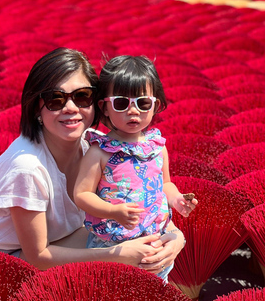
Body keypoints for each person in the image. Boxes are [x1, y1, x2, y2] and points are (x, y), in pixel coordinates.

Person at [0, 48, 186, 275]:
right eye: (55, 99)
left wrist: (176, 239)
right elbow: (37, 256)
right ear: (35, 109)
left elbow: (150, 198)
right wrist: (117, 254)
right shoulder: (27, 169)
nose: (71, 108)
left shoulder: (102, 149)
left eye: (82, 96)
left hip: (55, 243)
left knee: (138, 245)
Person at [73, 55, 198, 282]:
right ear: (105, 107)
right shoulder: (100, 151)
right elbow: (82, 195)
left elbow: (165, 184)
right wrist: (113, 212)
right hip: (111, 245)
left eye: (143, 103)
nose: (133, 111)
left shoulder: (157, 148)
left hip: (154, 242)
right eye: (122, 103)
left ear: (155, 106)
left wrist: (177, 200)